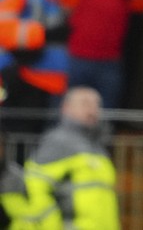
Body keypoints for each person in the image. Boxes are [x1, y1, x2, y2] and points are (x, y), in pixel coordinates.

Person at [0, 0, 68, 133]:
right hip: (18, 69)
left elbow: (53, 12)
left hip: (48, 70)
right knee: (17, 137)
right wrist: (44, 35)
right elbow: (4, 26)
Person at [24, 87, 120, 229]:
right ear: (66, 108)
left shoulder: (98, 147)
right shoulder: (59, 141)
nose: (93, 110)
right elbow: (34, 186)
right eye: (85, 103)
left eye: (97, 104)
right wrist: (51, 225)